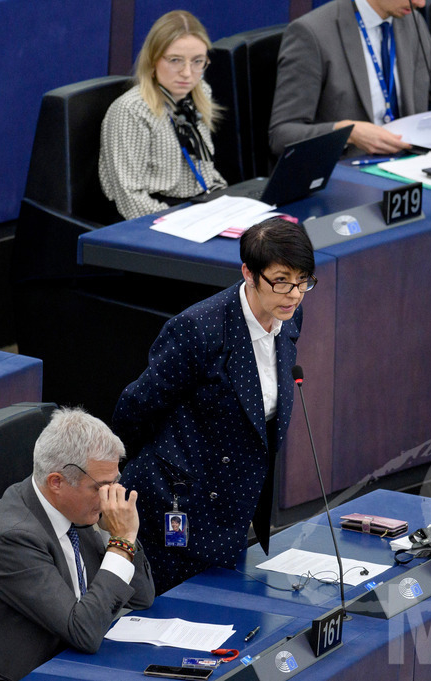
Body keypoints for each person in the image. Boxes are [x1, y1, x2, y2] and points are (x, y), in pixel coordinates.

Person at [112, 217, 315, 594]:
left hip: (233, 504)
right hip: (179, 506)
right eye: (282, 280)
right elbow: (136, 407)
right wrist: (160, 471)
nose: (294, 293)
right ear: (249, 273)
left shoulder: (288, 316)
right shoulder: (200, 329)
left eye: (303, 280)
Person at [0, 407, 154, 681]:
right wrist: (122, 543)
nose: (111, 497)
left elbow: (141, 597)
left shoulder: (76, 509)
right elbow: (84, 632)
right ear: (56, 482)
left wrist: (117, 535)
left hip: (68, 663)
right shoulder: (13, 537)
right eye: (101, 487)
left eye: (115, 483)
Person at [268, 0, 431, 156]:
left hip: (409, 162)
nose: (420, 3)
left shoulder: (412, 22)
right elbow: (282, 135)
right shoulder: (312, 33)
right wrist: (348, 132)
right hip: (348, 169)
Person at [99, 10, 227, 220]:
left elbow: (203, 169)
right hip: (152, 215)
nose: (187, 73)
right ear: (153, 61)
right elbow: (130, 199)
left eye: (198, 61)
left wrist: (225, 201)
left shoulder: (199, 93)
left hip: (195, 205)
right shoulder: (132, 110)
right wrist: (180, 222)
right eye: (175, 60)